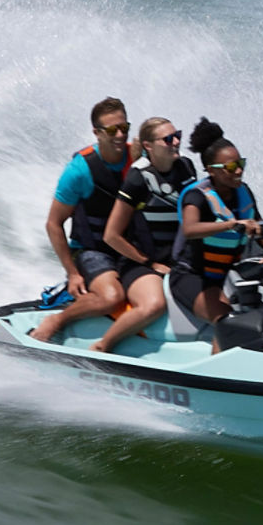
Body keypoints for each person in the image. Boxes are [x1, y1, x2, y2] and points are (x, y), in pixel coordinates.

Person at [31, 97, 140, 344]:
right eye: (112, 130)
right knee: (112, 297)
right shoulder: (80, 170)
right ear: (97, 133)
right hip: (93, 251)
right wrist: (72, 273)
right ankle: (57, 320)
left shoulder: (137, 157)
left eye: (125, 127)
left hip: (130, 247)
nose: (120, 135)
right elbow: (53, 224)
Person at [90, 117, 197, 353]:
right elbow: (112, 235)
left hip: (180, 261)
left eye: (177, 134)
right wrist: (151, 263)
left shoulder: (187, 168)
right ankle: (102, 346)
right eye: (168, 139)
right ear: (149, 146)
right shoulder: (138, 178)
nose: (176, 141)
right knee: (154, 305)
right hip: (141, 264)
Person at [169, 118, 262, 344]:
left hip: (230, 276)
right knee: (229, 321)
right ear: (212, 170)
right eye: (231, 167)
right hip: (193, 276)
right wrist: (232, 224)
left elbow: (261, 231)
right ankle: (217, 378)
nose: (239, 170)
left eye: (241, 163)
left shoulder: (243, 191)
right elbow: (190, 229)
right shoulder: (197, 197)